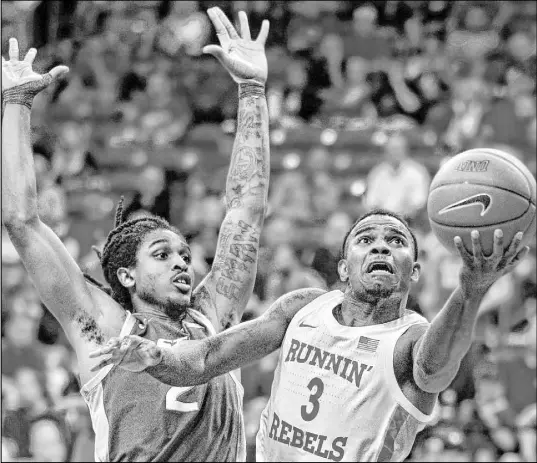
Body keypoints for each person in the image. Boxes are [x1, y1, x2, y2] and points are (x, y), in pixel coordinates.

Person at [2, 7, 270, 462]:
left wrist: (252, 91)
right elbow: (22, 221)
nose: (182, 262)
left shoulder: (213, 318)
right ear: (126, 276)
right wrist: (16, 104)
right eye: (162, 254)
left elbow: (246, 209)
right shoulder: (103, 331)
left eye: (184, 254)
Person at [92, 209, 529, 462]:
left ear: (413, 270)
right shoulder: (302, 307)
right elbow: (206, 359)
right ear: (342, 267)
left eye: (395, 241)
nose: (379, 246)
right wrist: (155, 357)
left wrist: (471, 289)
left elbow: (436, 370)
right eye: (365, 239)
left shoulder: (410, 340)